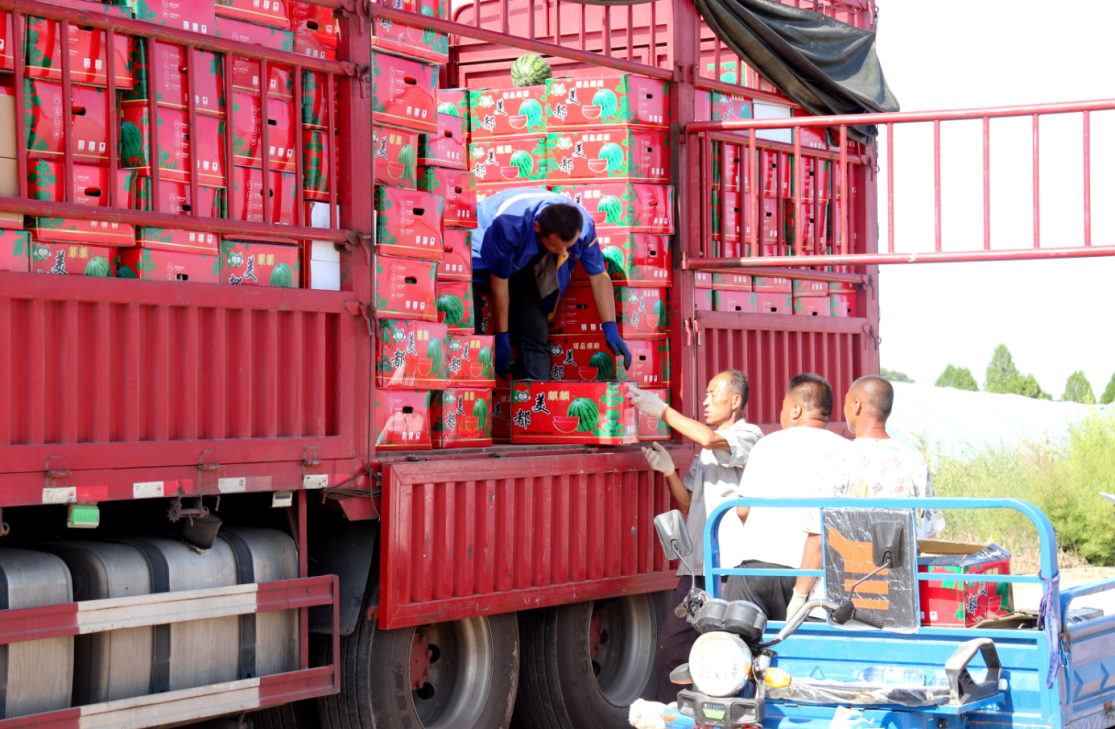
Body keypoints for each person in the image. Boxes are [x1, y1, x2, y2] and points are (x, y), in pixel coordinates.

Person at [626, 371, 763, 704]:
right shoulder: (705, 448)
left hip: (733, 568)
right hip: (697, 569)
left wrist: (661, 410)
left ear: (735, 401)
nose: (704, 401)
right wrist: (670, 472)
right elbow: (688, 502)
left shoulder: (749, 436)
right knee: (674, 650)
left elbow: (710, 440)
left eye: (712, 393)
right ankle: (678, 716)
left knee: (729, 652)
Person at [723, 373, 851, 622]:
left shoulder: (767, 445)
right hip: (814, 575)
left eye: (783, 407)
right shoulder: (846, 450)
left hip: (755, 567)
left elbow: (742, 510)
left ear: (795, 409)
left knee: (736, 646)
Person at [471, 188, 631, 380]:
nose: (563, 251)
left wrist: (610, 327)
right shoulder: (509, 225)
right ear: (538, 228)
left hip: (521, 264)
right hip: (478, 255)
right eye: (556, 246)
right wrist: (502, 336)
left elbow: (598, 276)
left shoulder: (583, 225)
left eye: (568, 246)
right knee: (473, 335)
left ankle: (533, 404)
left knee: (535, 332)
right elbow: (499, 282)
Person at [838, 375, 945, 538]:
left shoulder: (839, 458)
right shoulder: (914, 460)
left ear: (856, 406)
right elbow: (929, 527)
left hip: (852, 561)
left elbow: (821, 530)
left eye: (845, 403)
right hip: (906, 562)